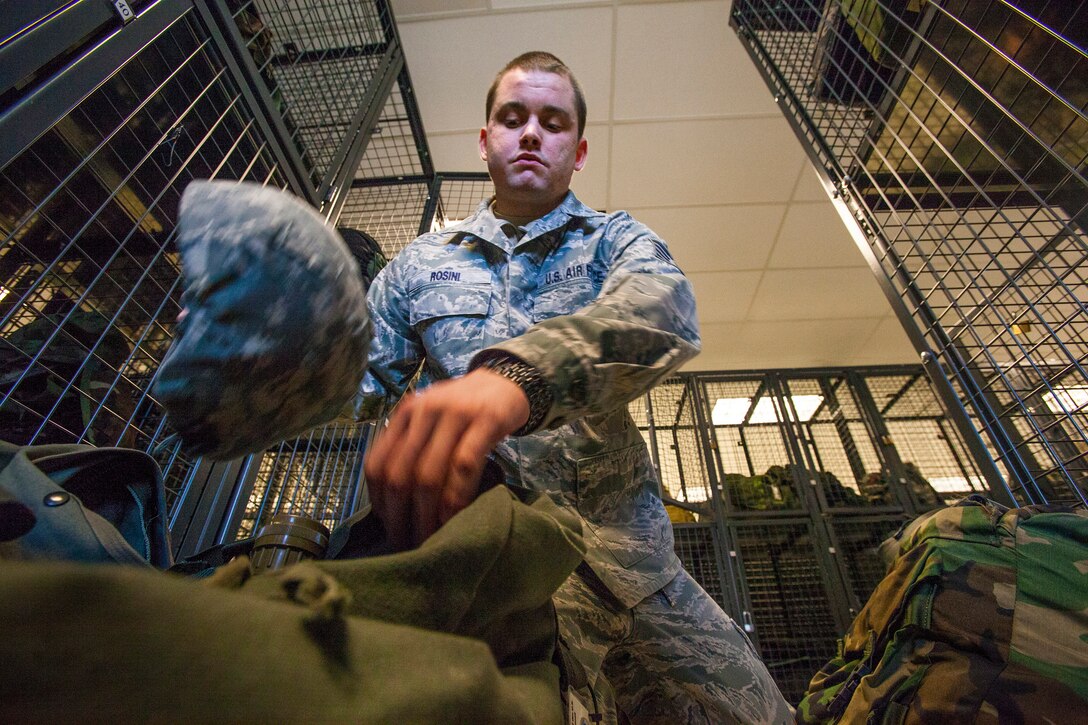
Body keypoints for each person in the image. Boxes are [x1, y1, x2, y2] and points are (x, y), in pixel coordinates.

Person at [357, 51, 792, 724]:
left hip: (635, 574)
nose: (531, 132)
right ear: (485, 140)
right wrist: (265, 347)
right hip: (500, 585)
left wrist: (519, 377)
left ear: (578, 148)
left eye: (552, 120)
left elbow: (661, 309)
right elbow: (352, 379)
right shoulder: (418, 267)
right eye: (512, 117)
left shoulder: (616, 238)